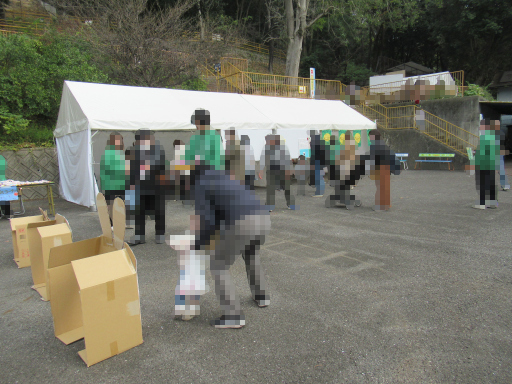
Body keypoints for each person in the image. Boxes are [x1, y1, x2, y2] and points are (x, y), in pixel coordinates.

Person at [168, 160, 271, 329]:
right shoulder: (224, 177)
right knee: (251, 255)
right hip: (263, 218)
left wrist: (198, 244)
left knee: (218, 266)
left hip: (243, 222)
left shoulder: (201, 184)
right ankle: (262, 297)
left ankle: (233, 315)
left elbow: (207, 220)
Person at [127, 129, 169, 245]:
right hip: (140, 187)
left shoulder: (157, 150)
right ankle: (139, 236)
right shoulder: (134, 151)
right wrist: (131, 185)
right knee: (139, 212)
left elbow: (159, 166)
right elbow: (132, 170)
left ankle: (160, 234)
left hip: (156, 187)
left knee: (159, 211)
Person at [258, 134, 296, 211]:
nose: (267, 142)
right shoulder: (266, 147)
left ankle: (291, 204)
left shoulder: (282, 147)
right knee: (271, 188)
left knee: (287, 187)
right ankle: (270, 206)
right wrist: (261, 170)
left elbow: (288, 158)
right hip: (273, 170)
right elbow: (263, 158)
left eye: (268, 140)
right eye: (266, 141)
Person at [469, 119, 500, 209]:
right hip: (491, 164)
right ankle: (493, 202)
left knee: (482, 184)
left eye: (481, 126)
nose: (479, 127)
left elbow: (481, 153)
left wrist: (474, 158)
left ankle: (482, 203)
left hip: (482, 165)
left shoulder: (484, 137)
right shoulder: (493, 137)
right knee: (491, 183)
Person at [368, 129, 400, 211]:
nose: (369, 138)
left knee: (379, 187)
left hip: (379, 168)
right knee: (385, 187)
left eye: (370, 136)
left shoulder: (374, 146)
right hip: (387, 168)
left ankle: (380, 205)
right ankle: (387, 204)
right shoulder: (383, 145)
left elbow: (373, 159)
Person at [100, 132, 128, 224]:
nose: (118, 142)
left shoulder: (121, 153)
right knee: (111, 205)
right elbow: (105, 170)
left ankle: (119, 221)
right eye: (116, 140)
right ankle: (111, 222)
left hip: (121, 184)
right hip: (110, 184)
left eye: (120, 140)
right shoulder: (108, 154)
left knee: (121, 203)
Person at [309, 130, 326, 197]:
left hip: (317, 162)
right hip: (321, 162)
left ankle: (319, 192)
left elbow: (314, 153)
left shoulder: (314, 141)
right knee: (320, 176)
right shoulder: (321, 140)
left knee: (318, 177)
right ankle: (320, 191)